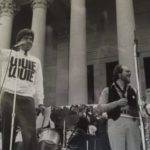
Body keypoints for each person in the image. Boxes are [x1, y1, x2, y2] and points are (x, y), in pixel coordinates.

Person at [0, 28, 45, 150]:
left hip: (27, 99)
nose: (29, 41)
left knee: (29, 134)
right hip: (9, 96)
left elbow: (38, 82)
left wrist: (40, 101)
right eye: (26, 38)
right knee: (7, 132)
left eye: (31, 39)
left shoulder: (36, 61)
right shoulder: (7, 54)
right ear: (19, 40)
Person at [98, 64, 141, 150]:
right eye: (127, 71)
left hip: (133, 123)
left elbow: (139, 110)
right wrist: (116, 103)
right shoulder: (107, 90)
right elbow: (100, 108)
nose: (130, 73)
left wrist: (131, 109)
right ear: (119, 74)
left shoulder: (134, 90)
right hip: (115, 123)